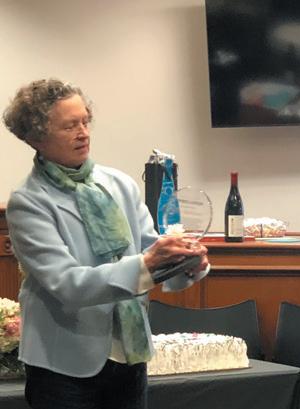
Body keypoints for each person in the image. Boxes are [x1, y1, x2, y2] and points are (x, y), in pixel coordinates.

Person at [3, 78, 210, 409]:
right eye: (70, 126)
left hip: (129, 352)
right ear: (36, 137)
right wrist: (148, 262)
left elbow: (150, 251)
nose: (83, 133)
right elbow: (67, 284)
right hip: (64, 363)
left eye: (85, 121)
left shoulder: (120, 184)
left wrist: (185, 261)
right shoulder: (29, 202)